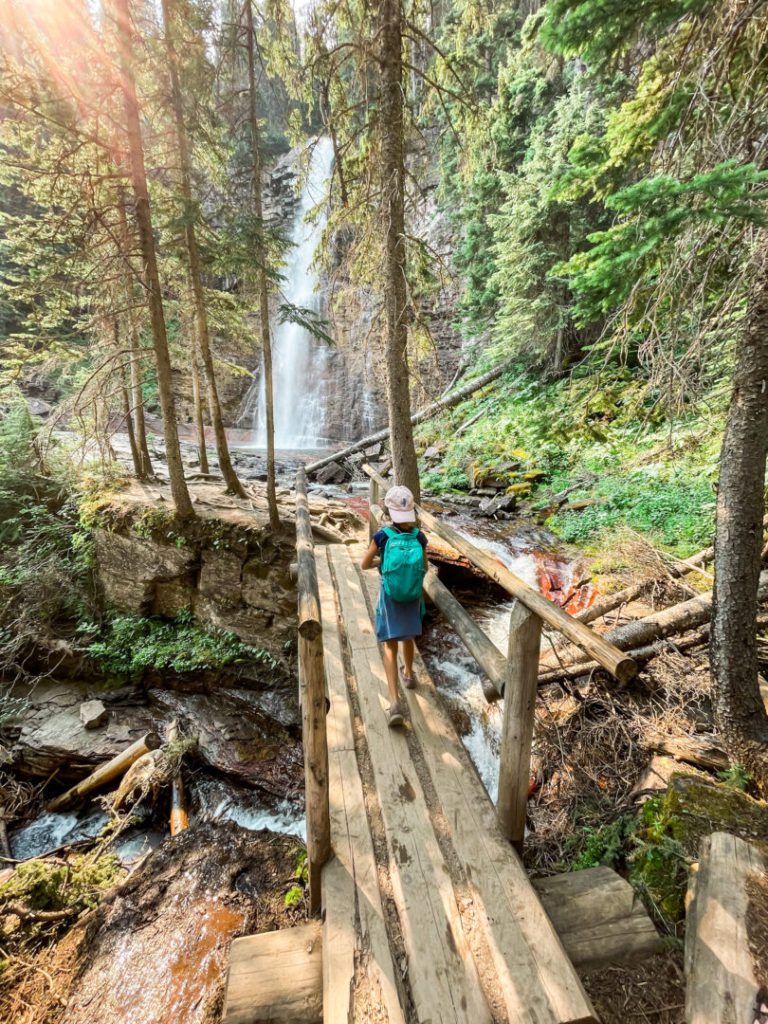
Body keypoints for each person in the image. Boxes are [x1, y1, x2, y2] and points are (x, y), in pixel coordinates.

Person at [361, 485, 428, 727]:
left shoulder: (382, 536)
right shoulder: (419, 537)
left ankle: (394, 701)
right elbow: (426, 568)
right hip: (412, 595)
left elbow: (364, 564)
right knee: (408, 637)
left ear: (390, 512)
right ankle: (409, 675)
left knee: (390, 645)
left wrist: (383, 560)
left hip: (390, 596)